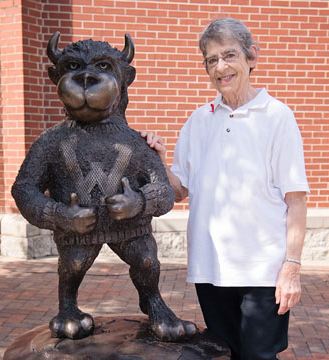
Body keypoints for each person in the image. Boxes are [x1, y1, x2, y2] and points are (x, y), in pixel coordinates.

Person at [141, 17, 309, 360]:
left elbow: (296, 199)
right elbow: (179, 191)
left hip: (263, 270)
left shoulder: (278, 117)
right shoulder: (198, 120)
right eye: (211, 60)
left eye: (229, 55)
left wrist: (291, 267)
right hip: (211, 267)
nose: (221, 67)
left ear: (252, 57)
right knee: (224, 353)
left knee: (258, 356)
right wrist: (157, 159)